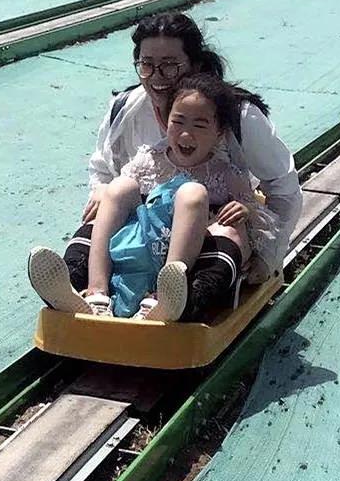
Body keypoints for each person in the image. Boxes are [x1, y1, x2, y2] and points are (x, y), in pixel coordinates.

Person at [29, 73, 278, 321]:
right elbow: (118, 199)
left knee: (193, 194)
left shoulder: (226, 174)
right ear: (164, 120)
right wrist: (104, 190)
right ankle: (92, 292)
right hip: (143, 245)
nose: (186, 135)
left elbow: (257, 222)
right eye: (178, 122)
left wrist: (244, 211)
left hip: (191, 258)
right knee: (121, 186)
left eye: (200, 125)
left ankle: (168, 299)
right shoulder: (149, 161)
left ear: (220, 132)